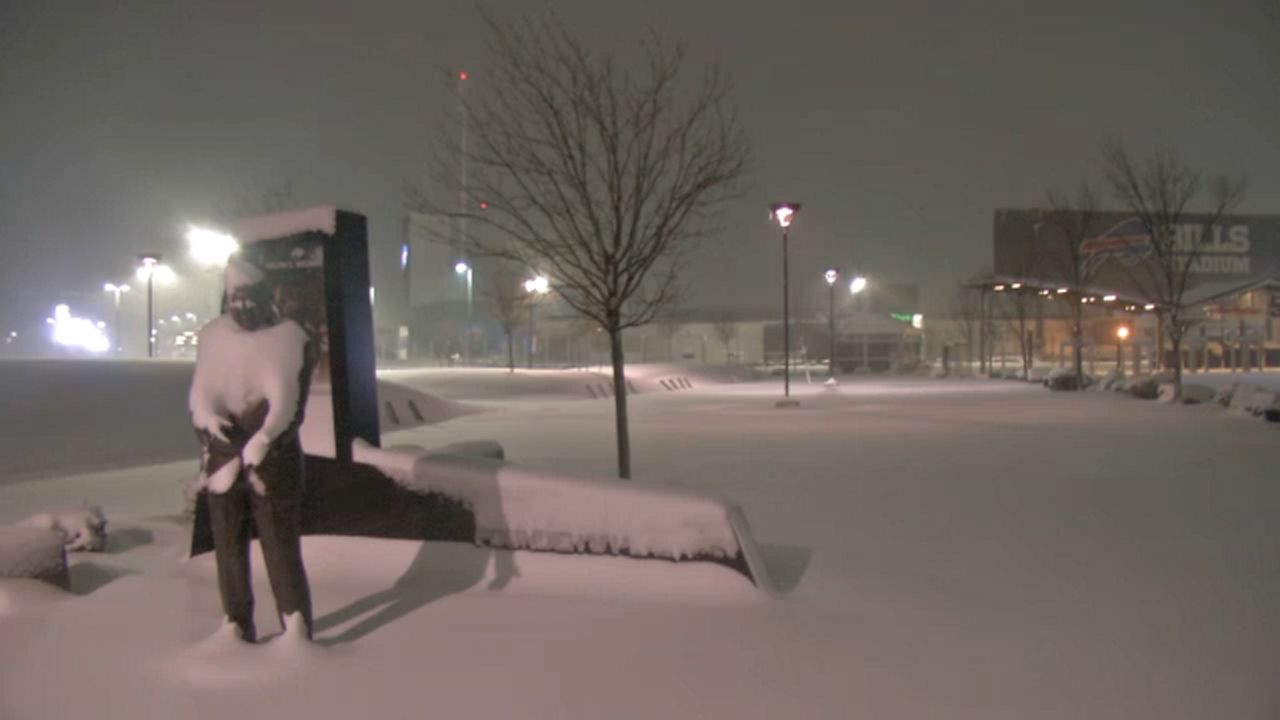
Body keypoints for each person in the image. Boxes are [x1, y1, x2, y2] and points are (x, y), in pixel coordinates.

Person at [189, 255, 316, 643]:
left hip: (271, 466)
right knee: (228, 553)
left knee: (281, 553)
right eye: (234, 298)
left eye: (248, 298)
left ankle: (295, 630)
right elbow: (201, 396)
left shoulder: (291, 340)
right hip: (224, 462)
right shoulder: (213, 338)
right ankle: (236, 625)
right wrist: (208, 426)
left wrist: (263, 441)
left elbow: (288, 408)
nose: (241, 307)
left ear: (266, 297)